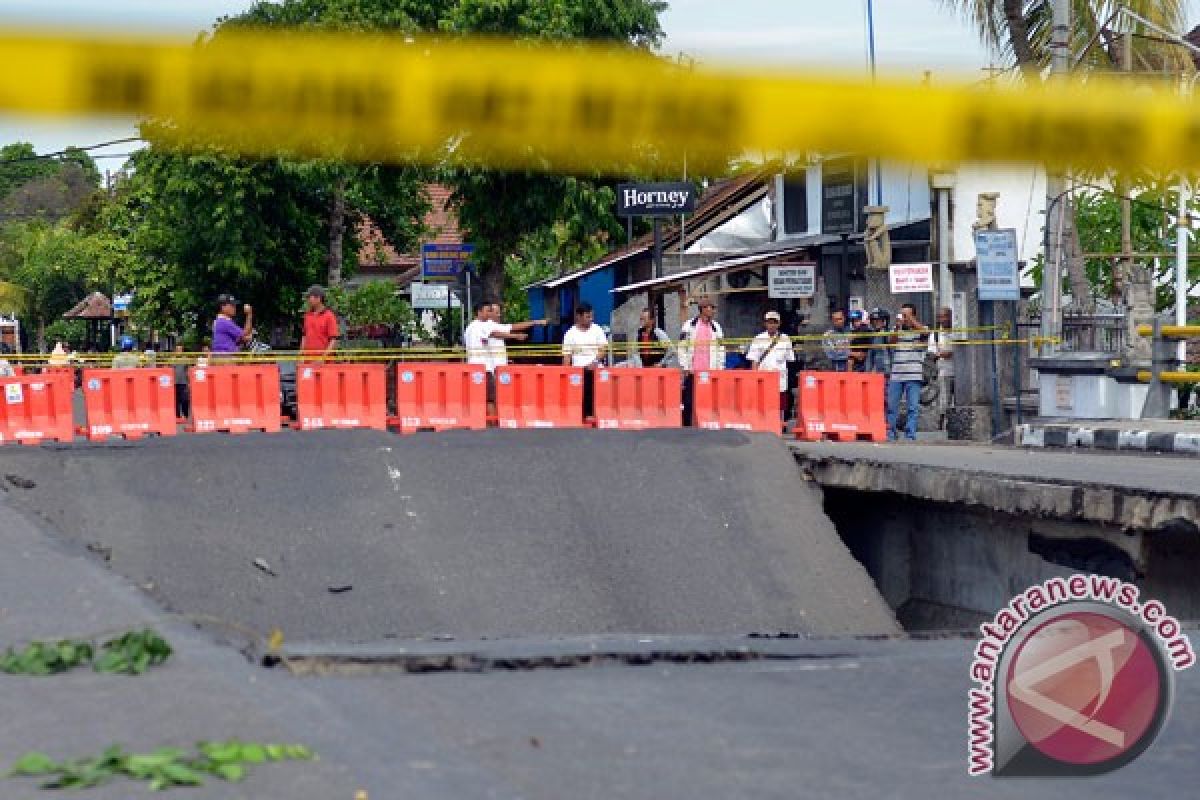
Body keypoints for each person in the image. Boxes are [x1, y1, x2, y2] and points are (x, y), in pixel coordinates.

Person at [464, 299, 528, 413]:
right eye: (487, 311)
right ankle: (492, 423)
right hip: (484, 367)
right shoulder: (481, 325)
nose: (489, 314)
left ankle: (483, 420)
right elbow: (495, 333)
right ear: (479, 312)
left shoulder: (469, 327)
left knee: (480, 397)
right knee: (490, 397)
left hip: (473, 365)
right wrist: (516, 336)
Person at [678, 295, 725, 426]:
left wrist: (720, 368)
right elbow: (682, 347)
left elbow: (721, 349)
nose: (713, 311)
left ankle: (705, 424)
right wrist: (685, 366)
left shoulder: (716, 327)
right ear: (703, 309)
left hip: (710, 371)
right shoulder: (689, 325)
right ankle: (686, 425)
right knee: (688, 400)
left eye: (714, 308)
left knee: (709, 400)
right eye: (711, 308)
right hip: (693, 371)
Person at [887, 303, 929, 441]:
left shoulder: (922, 329)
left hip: (914, 373)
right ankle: (891, 434)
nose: (904, 318)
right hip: (897, 374)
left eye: (907, 315)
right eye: (902, 314)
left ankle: (910, 435)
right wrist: (898, 326)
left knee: (913, 407)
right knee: (892, 406)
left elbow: (925, 334)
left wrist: (911, 320)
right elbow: (891, 343)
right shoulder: (896, 329)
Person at [746, 310, 796, 422]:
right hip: (763, 377)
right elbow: (754, 359)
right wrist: (754, 377)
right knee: (763, 402)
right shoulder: (758, 338)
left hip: (780, 378)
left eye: (774, 322)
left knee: (780, 403)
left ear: (779, 324)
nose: (772, 325)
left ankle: (779, 423)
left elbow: (790, 359)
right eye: (769, 322)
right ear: (765, 323)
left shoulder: (785, 339)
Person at [562, 303, 608, 418]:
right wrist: (566, 373)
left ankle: (595, 413)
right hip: (578, 370)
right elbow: (567, 357)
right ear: (579, 316)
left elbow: (603, 351)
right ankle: (582, 413)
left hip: (595, 367)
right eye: (588, 317)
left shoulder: (597, 330)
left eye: (592, 316)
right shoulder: (570, 334)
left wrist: (594, 363)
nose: (591, 319)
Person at [486, 301, 545, 370]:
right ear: (489, 313)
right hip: (493, 365)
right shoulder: (490, 324)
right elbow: (513, 327)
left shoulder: (493, 325)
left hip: (496, 364)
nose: (499, 315)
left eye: (499, 312)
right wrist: (536, 322)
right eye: (497, 313)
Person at [927, 306, 958, 424]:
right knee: (945, 399)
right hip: (944, 371)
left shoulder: (958, 330)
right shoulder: (935, 334)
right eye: (940, 317)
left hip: (960, 371)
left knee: (959, 400)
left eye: (945, 316)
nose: (942, 319)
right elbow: (932, 352)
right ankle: (944, 422)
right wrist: (941, 354)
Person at [300, 285, 339, 357]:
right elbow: (304, 336)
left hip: (324, 363)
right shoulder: (307, 315)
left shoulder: (329, 316)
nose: (308, 300)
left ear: (318, 298)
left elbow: (333, 340)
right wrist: (301, 355)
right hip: (307, 361)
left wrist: (323, 358)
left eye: (309, 297)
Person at [863, 308, 892, 376]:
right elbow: (870, 356)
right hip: (878, 371)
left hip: (890, 371)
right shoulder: (873, 336)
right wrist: (868, 372)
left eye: (878, 320)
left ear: (884, 321)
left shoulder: (890, 333)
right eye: (874, 320)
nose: (875, 322)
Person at [173, 344, 190, 419]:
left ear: (182, 351)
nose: (178, 351)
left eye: (180, 349)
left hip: (184, 382)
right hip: (174, 382)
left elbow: (188, 370)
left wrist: (189, 382)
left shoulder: (185, 359)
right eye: (177, 350)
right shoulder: (172, 359)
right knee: (176, 400)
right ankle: (177, 416)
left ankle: (185, 414)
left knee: (184, 399)